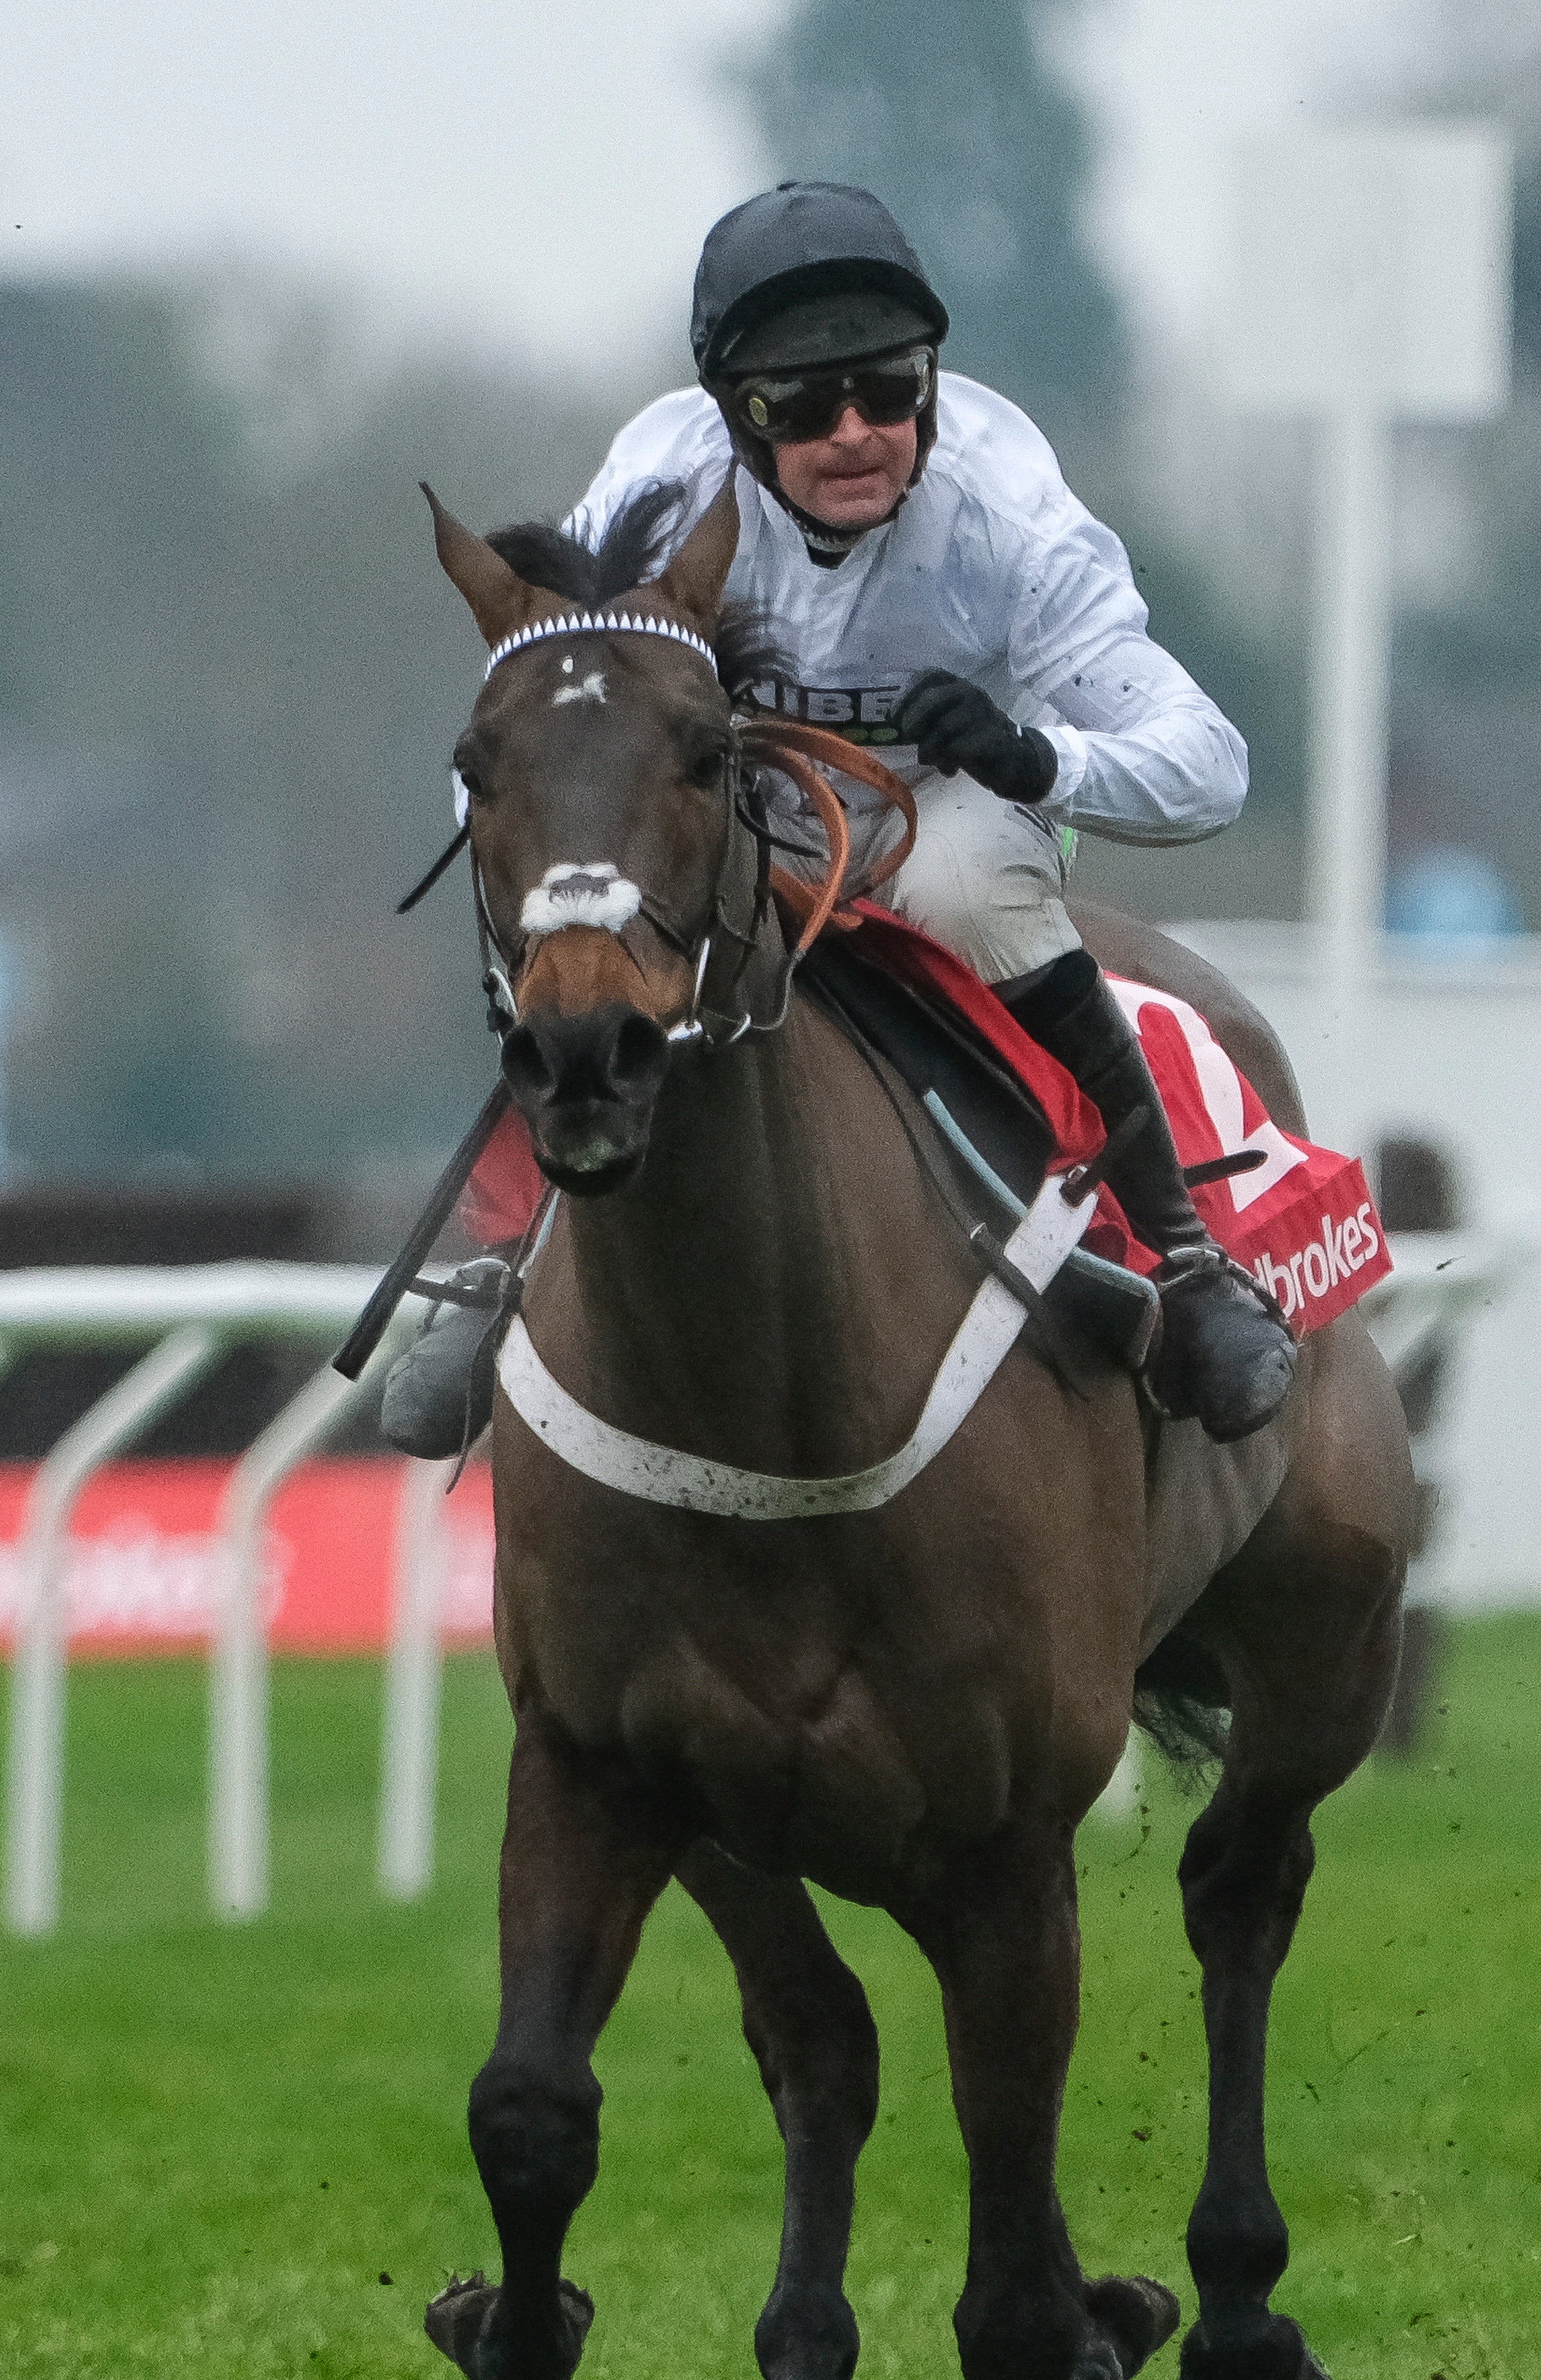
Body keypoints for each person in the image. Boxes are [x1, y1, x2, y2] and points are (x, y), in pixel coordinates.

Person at [383, 180, 1293, 1454]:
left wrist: (1037, 754)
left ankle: (1190, 1262)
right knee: (586, 936)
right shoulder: (653, 487)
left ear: (930, 382)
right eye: (801, 407)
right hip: (731, 805)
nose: (856, 431)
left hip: (950, 812)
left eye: (888, 387)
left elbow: (1212, 767)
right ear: (732, 423)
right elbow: (526, 732)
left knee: (971, 886)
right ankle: (493, 1258)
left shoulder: (1011, 518)